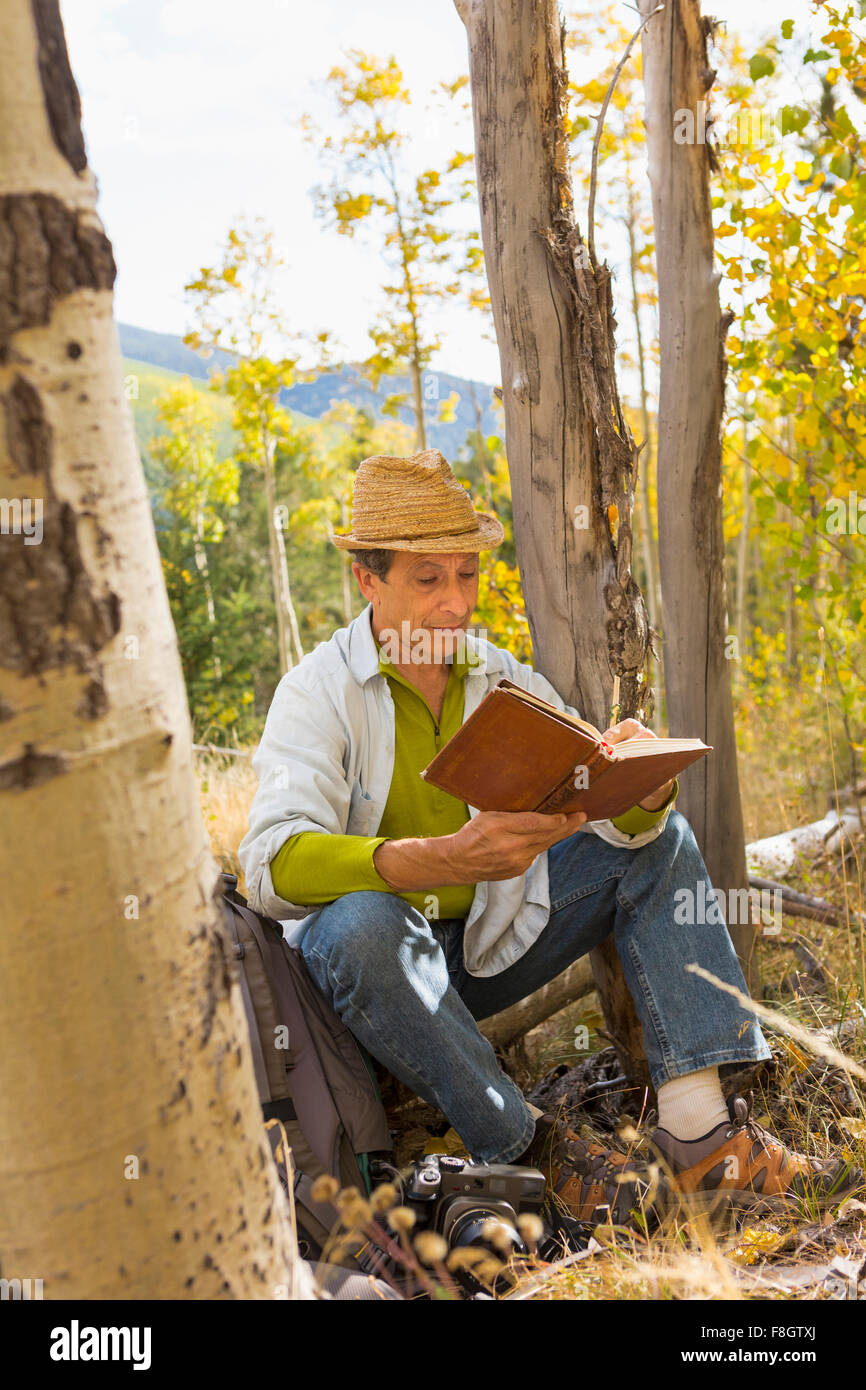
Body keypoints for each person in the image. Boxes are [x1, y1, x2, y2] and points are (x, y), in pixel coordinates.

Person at [239, 449, 861, 1225]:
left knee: (664, 845)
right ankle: (526, 1150)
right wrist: (439, 859)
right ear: (369, 579)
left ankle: (704, 1138)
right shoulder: (317, 691)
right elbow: (268, 865)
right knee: (364, 922)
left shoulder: (502, 682)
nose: (455, 604)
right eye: (427, 580)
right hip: (368, 981)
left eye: (466, 576)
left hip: (484, 953)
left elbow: (614, 822)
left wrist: (644, 786)